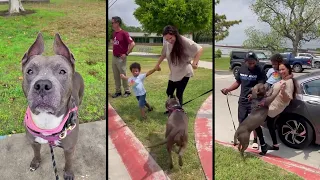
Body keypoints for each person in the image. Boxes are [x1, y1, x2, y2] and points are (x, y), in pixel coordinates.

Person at [221, 51, 271, 155]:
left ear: (256, 61)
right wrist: (228, 89)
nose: (252, 65)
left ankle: (261, 143)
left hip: (254, 101)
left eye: (253, 63)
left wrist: (253, 95)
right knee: (242, 122)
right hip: (243, 101)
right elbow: (238, 82)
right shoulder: (241, 69)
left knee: (254, 124)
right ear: (245, 61)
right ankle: (242, 139)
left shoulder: (260, 70)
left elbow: (262, 86)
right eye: (249, 63)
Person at [154, 25, 203, 114]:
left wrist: (195, 62)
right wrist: (157, 64)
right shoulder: (167, 43)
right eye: (167, 39)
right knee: (169, 92)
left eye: (170, 38)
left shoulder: (184, 41)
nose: (169, 40)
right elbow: (163, 54)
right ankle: (172, 108)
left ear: (175, 34)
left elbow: (199, 49)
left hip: (184, 71)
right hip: (174, 72)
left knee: (179, 93)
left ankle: (178, 112)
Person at [265, 61, 294, 152]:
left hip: (274, 108)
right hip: (271, 104)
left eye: (283, 69)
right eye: (280, 69)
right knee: (270, 124)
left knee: (256, 122)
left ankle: (262, 144)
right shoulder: (284, 79)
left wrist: (283, 91)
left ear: (288, 69)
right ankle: (275, 145)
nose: (281, 71)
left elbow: (287, 99)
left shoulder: (289, 82)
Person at [111, 16, 136, 98]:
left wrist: (126, 53)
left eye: (113, 22)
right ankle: (118, 91)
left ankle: (127, 91)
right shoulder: (114, 33)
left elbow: (132, 44)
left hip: (121, 58)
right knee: (116, 75)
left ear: (117, 23)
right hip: (114, 57)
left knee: (122, 74)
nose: (112, 24)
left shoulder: (124, 33)